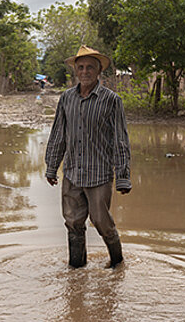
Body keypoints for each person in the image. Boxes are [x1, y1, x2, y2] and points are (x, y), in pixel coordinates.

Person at [45, 45, 131, 269]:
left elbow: (120, 140)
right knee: (73, 222)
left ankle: (117, 264)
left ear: (99, 70)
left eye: (90, 67)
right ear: (75, 71)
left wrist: (123, 177)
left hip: (99, 174)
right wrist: (52, 167)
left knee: (101, 221)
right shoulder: (66, 99)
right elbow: (58, 135)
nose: (85, 72)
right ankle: (76, 270)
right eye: (80, 67)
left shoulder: (111, 100)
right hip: (72, 172)